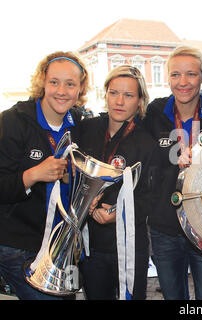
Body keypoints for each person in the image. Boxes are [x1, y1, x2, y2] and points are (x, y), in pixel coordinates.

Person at [0, 51, 89, 299]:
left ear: (80, 89)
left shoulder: (80, 125)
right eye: (54, 82)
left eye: (70, 84)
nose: (61, 91)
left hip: (63, 246)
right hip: (21, 244)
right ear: (42, 82)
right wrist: (33, 174)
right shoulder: (13, 122)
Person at [141, 46, 202, 300]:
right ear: (167, 78)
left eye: (191, 74)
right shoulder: (154, 113)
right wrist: (171, 156)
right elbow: (142, 156)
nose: (183, 82)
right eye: (175, 75)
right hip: (165, 227)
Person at [78, 65, 158, 300]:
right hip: (91, 243)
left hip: (130, 245)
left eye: (129, 95)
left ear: (140, 100)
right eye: (114, 93)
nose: (119, 101)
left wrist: (119, 213)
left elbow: (150, 198)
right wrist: (87, 203)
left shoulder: (147, 143)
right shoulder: (87, 130)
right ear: (106, 94)